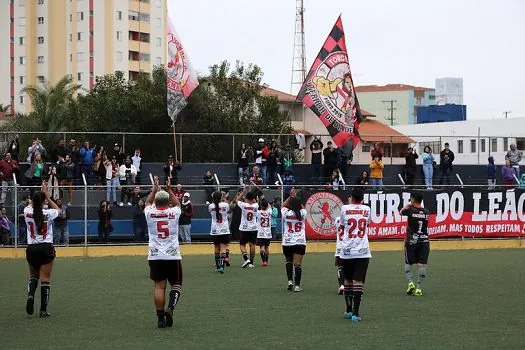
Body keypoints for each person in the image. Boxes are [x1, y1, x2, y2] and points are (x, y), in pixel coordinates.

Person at [144, 176, 182, 329]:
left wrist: (154, 189)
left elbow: (147, 202)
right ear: (168, 203)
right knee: (176, 284)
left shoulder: (149, 213)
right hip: (172, 255)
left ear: (156, 203)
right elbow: (178, 204)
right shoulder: (174, 212)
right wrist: (169, 189)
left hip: (155, 255)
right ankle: (170, 309)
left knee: (159, 287)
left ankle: (160, 318)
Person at [24, 181, 60, 317]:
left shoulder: (27, 212)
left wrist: (39, 195)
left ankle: (30, 296)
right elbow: (58, 209)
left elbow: (31, 204)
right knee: (45, 278)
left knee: (33, 276)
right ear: (43, 201)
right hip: (46, 247)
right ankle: (43, 310)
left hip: (32, 248)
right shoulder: (49, 213)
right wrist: (47, 195)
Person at [339, 188, 372, 321]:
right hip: (362, 250)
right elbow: (368, 223)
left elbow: (342, 224)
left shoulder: (344, 208)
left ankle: (348, 310)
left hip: (347, 250)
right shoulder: (367, 209)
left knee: (347, 280)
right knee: (358, 281)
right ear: (362, 198)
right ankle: (356, 313)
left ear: (351, 197)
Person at [400, 192, 430, 297]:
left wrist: (408, 204)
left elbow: (401, 212)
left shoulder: (410, 210)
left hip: (411, 241)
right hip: (424, 241)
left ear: (412, 199)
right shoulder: (426, 212)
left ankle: (410, 282)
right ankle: (418, 288)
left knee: (408, 263)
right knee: (422, 264)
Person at [281, 188, 307, 292]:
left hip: (287, 241)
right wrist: (297, 199)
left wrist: (291, 197)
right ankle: (297, 285)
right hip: (300, 242)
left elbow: (282, 206)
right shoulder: (303, 213)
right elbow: (302, 207)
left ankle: (289, 281)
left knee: (288, 261)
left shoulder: (286, 213)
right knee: (298, 264)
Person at [209, 191, 231, 273]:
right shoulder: (225, 205)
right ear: (221, 197)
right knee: (223, 249)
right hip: (224, 230)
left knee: (216, 248)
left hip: (215, 230)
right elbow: (229, 209)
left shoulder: (210, 206)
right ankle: (222, 266)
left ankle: (218, 267)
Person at [237, 190, 259, 268]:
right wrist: (254, 199)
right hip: (253, 228)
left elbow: (237, 200)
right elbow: (255, 201)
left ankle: (246, 259)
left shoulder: (243, 205)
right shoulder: (256, 205)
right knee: (252, 245)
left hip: (244, 228)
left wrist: (242, 193)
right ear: (253, 199)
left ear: (246, 198)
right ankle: (251, 263)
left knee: (242, 245)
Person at [256, 198, 272, 267]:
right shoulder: (269, 211)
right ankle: (267, 261)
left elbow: (256, 207)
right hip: (268, 233)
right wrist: (265, 200)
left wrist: (258, 201)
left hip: (261, 233)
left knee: (262, 247)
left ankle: (264, 261)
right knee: (267, 247)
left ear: (261, 206)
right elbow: (270, 206)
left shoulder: (258, 212)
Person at [334, 216, 344, 295]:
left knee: (340, 267)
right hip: (351, 246)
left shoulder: (337, 219)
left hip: (340, 247)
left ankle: (342, 285)